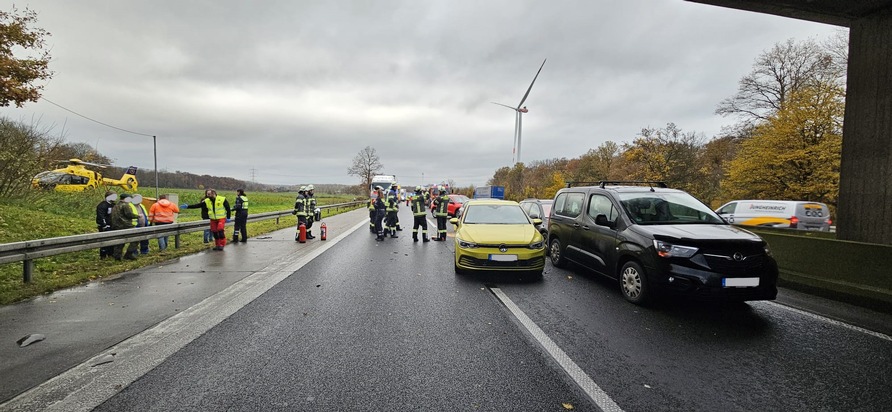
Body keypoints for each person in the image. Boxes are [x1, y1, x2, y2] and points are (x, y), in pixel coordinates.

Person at [110, 193, 139, 260]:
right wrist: (138, 216)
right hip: (126, 225)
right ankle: (129, 254)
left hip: (116, 226)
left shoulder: (115, 206)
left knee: (120, 242)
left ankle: (117, 257)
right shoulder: (125, 205)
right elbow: (129, 214)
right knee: (136, 239)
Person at [95, 191, 117, 259]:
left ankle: (110, 254)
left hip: (112, 225)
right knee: (104, 241)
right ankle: (103, 255)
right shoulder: (102, 205)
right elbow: (101, 216)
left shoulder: (113, 205)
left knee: (112, 241)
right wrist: (104, 225)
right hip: (105, 226)